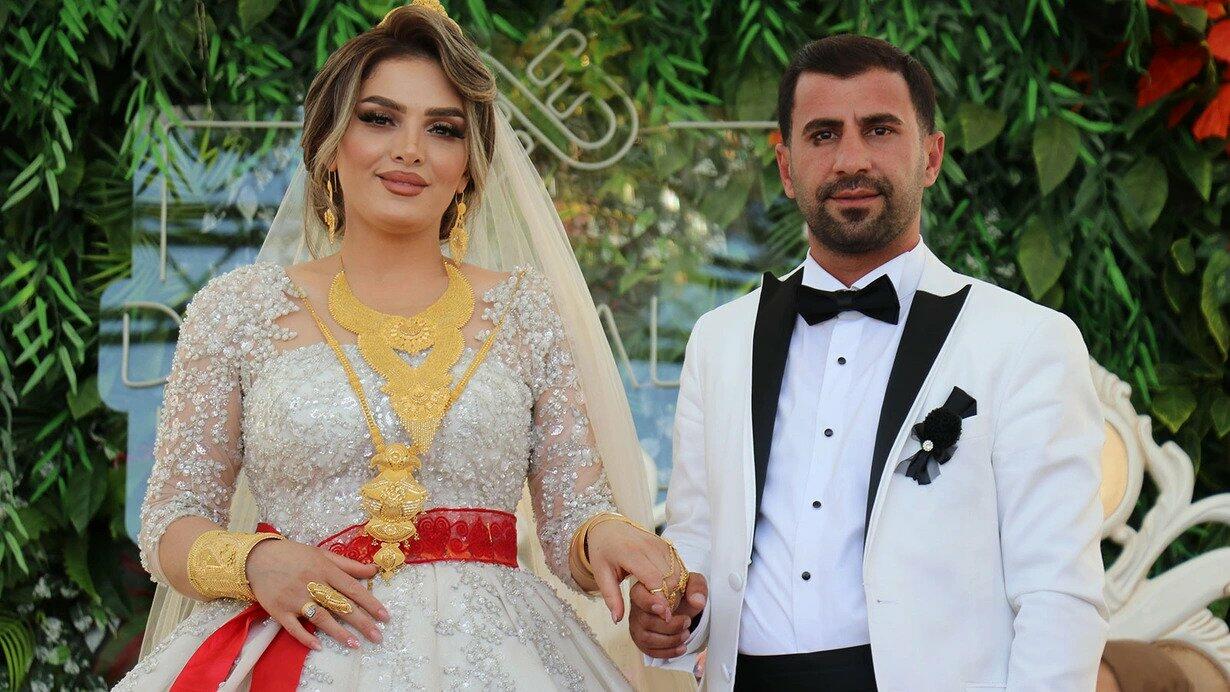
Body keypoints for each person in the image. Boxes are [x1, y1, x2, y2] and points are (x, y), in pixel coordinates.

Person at [114, 2, 696, 689]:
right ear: (329, 144)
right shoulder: (239, 310)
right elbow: (172, 521)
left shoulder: (524, 311)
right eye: (379, 119)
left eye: (442, 129)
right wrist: (254, 562)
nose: (410, 149)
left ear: (469, 167)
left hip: (502, 656)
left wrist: (606, 536)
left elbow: (572, 511)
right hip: (301, 645)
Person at [631, 34, 1108, 691]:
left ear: (931, 156)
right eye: (823, 134)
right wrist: (674, 616)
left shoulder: (1025, 343)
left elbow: (1059, 595)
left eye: (880, 130)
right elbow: (699, 542)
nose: (851, 159)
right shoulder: (719, 341)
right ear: (786, 166)